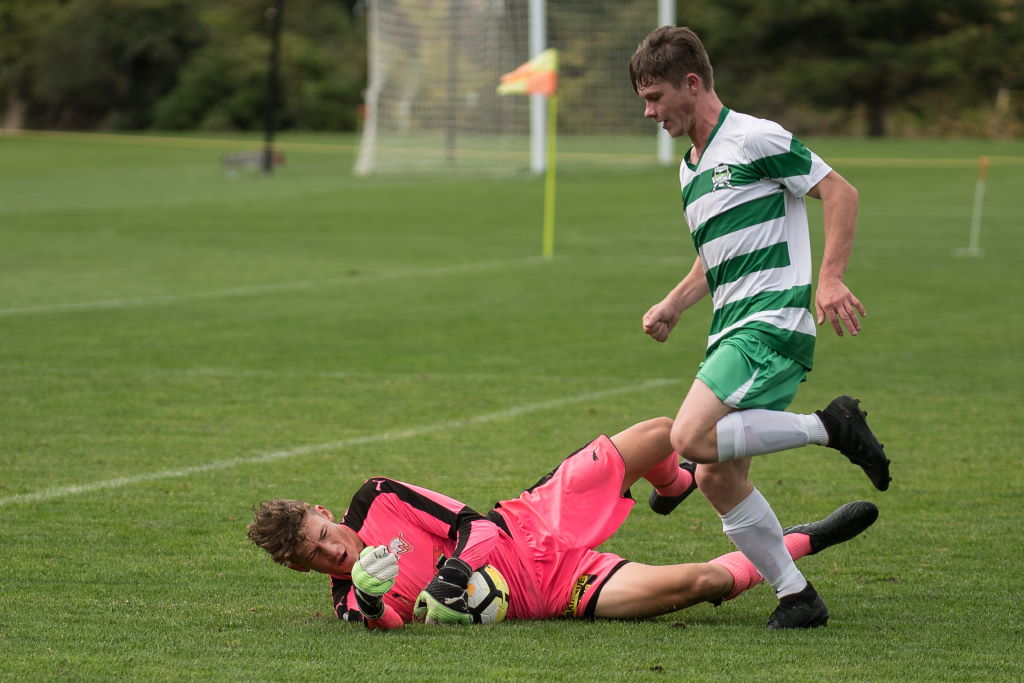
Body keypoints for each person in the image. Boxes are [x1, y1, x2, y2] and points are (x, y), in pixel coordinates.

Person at [628, 26, 891, 628]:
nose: (649, 112)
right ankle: (797, 596)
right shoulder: (690, 169)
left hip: (771, 322)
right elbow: (714, 257)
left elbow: (840, 192)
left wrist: (829, 277)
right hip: (732, 329)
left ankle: (831, 426)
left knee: (689, 440)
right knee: (719, 478)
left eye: (655, 96)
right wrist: (675, 303)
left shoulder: (753, 137)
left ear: (692, 84)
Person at [247, 417, 878, 630]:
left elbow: (477, 526)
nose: (335, 551)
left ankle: (675, 483)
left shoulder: (378, 494)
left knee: (662, 434)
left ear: (324, 513)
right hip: (554, 591)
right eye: (319, 557)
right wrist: (368, 593)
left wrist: (460, 570)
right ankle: (804, 540)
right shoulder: (349, 600)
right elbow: (378, 624)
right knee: (704, 583)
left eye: (325, 533)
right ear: (303, 569)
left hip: (530, 520)